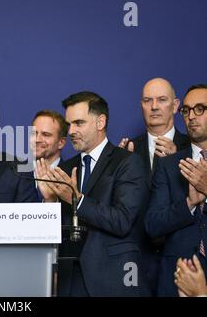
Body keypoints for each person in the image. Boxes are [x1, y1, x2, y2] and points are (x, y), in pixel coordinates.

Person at [37, 91, 150, 296]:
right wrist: (50, 200)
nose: (71, 131)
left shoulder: (127, 162)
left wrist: (76, 199)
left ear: (100, 122)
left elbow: (122, 221)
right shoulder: (66, 168)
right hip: (69, 280)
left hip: (114, 278)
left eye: (79, 123)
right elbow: (52, 233)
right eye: (68, 124)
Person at [119, 78, 190, 295]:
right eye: (148, 100)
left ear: (176, 105)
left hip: (183, 257)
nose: (154, 106)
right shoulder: (125, 151)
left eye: (161, 100)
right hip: (138, 257)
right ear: (141, 105)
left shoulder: (193, 147)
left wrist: (178, 161)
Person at [145, 84, 207, 296]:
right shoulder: (169, 164)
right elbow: (152, 224)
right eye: (187, 110)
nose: (191, 116)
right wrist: (189, 204)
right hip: (175, 276)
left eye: (200, 109)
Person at [30, 110, 68, 201]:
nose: (37, 139)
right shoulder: (13, 173)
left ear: (61, 143)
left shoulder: (70, 177)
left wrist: (51, 200)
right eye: (34, 133)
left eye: (46, 135)